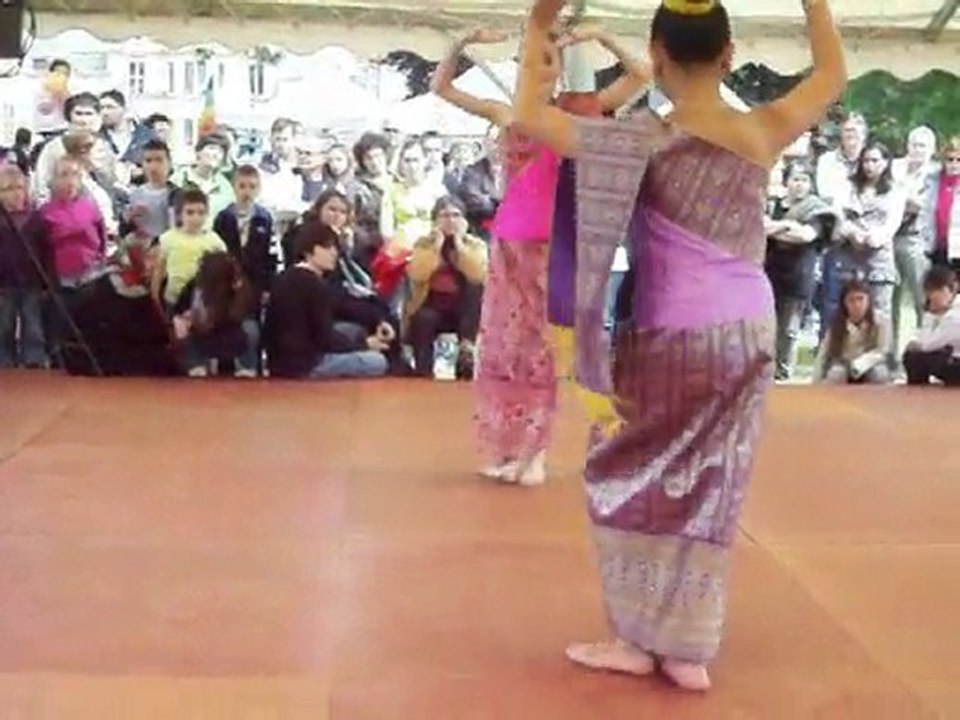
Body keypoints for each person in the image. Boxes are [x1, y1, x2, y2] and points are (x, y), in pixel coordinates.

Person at [513, 0, 845, 690]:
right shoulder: (763, 129)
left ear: (656, 54)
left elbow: (531, 121)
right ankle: (689, 647)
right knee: (714, 481)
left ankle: (637, 637)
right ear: (728, 55)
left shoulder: (640, 140)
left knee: (623, 470)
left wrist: (540, 26)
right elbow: (832, 74)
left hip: (671, 330)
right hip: (749, 330)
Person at [431, 23, 650, 485]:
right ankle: (504, 445)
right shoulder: (505, 113)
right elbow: (441, 86)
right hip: (509, 247)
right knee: (502, 348)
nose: (538, 72)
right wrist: (462, 42)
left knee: (541, 352)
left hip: (553, 248)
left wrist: (601, 38)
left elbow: (641, 75)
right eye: (531, 63)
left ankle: (535, 451)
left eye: (547, 64)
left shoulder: (572, 116)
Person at [264, 220, 389, 379]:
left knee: (351, 331)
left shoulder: (284, 277)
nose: (334, 253)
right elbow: (325, 338)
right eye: (327, 247)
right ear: (309, 251)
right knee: (377, 362)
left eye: (335, 247)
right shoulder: (315, 285)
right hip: (306, 364)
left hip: (278, 360)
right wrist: (366, 345)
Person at [405, 196, 487, 379]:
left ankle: (467, 350)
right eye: (444, 215)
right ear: (435, 220)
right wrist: (436, 247)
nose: (450, 220)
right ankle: (423, 372)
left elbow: (478, 275)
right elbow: (417, 274)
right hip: (434, 305)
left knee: (475, 288)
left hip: (465, 309)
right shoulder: (423, 244)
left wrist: (459, 244)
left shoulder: (475, 244)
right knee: (423, 319)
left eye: (456, 215)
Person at [152, 188, 227, 308]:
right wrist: (154, 295)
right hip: (173, 299)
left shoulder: (214, 241)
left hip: (202, 301)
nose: (195, 218)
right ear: (180, 214)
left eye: (201, 212)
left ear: (207, 214)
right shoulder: (168, 238)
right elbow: (159, 270)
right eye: (190, 212)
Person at [812, 279, 892, 384]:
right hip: (844, 368)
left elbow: (883, 351)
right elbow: (823, 355)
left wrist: (860, 364)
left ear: (868, 300)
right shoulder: (837, 324)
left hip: (871, 366)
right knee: (836, 374)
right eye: (851, 300)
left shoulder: (881, 321)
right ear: (844, 303)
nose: (857, 305)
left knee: (879, 373)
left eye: (860, 299)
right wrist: (815, 383)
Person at [902, 266, 960, 386]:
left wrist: (931, 316)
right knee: (912, 357)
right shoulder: (938, 312)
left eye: (940, 290)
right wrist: (931, 315)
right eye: (931, 291)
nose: (935, 296)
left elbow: (928, 344)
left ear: (952, 289)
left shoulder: (955, 314)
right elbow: (922, 337)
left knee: (916, 356)